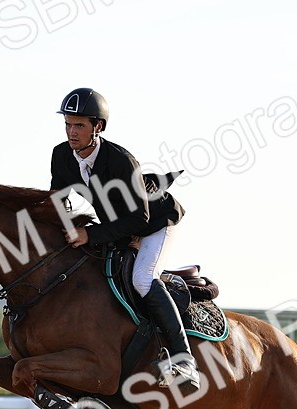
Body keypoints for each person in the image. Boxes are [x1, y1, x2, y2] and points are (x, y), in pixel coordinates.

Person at [49, 87, 200, 392]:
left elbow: (139, 220)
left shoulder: (120, 161)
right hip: (121, 227)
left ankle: (185, 361)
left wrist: (89, 234)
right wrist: (64, 229)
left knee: (142, 278)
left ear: (97, 127)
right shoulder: (62, 155)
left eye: (79, 125)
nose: (71, 132)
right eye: (68, 124)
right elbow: (57, 198)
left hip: (156, 222)